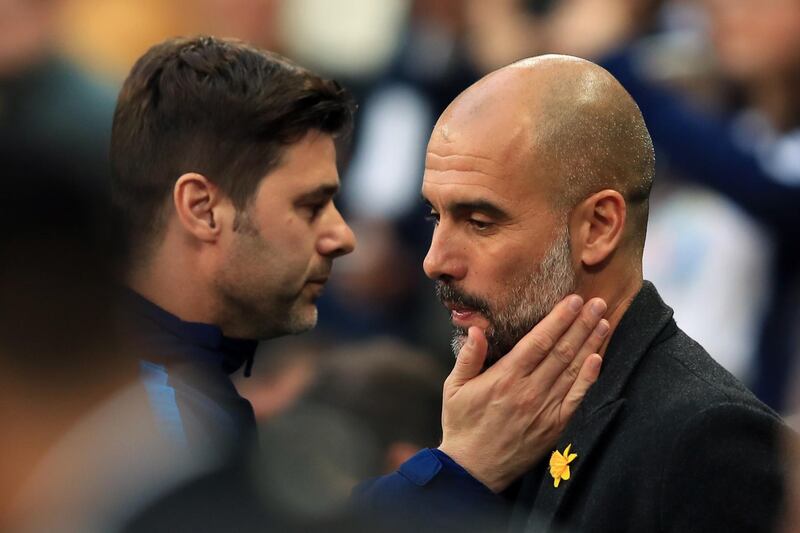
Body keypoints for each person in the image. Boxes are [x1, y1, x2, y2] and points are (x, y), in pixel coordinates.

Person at [112, 36, 608, 531]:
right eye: (310, 206)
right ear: (202, 209)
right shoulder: (139, 420)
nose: (341, 236)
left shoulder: (171, 384)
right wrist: (456, 472)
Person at [406, 54, 787, 532]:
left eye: (480, 222)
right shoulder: (474, 416)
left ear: (599, 227)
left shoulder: (709, 439)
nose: (435, 260)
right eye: (435, 217)